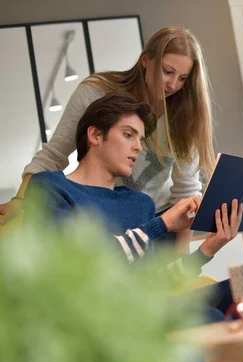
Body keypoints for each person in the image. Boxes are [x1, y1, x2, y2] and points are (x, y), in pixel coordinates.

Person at [25, 92, 243, 362]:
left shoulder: (139, 204)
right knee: (211, 323)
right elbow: (85, 268)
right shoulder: (50, 188)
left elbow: (154, 284)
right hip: (106, 319)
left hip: (152, 306)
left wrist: (208, 249)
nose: (138, 146)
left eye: (141, 138)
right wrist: (161, 225)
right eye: (128, 135)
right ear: (95, 135)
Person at [2, 26, 214, 255]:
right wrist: (20, 200)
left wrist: (181, 259)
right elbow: (54, 155)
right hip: (112, 220)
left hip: (160, 220)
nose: (173, 85)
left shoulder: (184, 117)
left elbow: (186, 195)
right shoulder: (95, 93)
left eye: (183, 78)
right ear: (146, 60)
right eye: (167, 71)